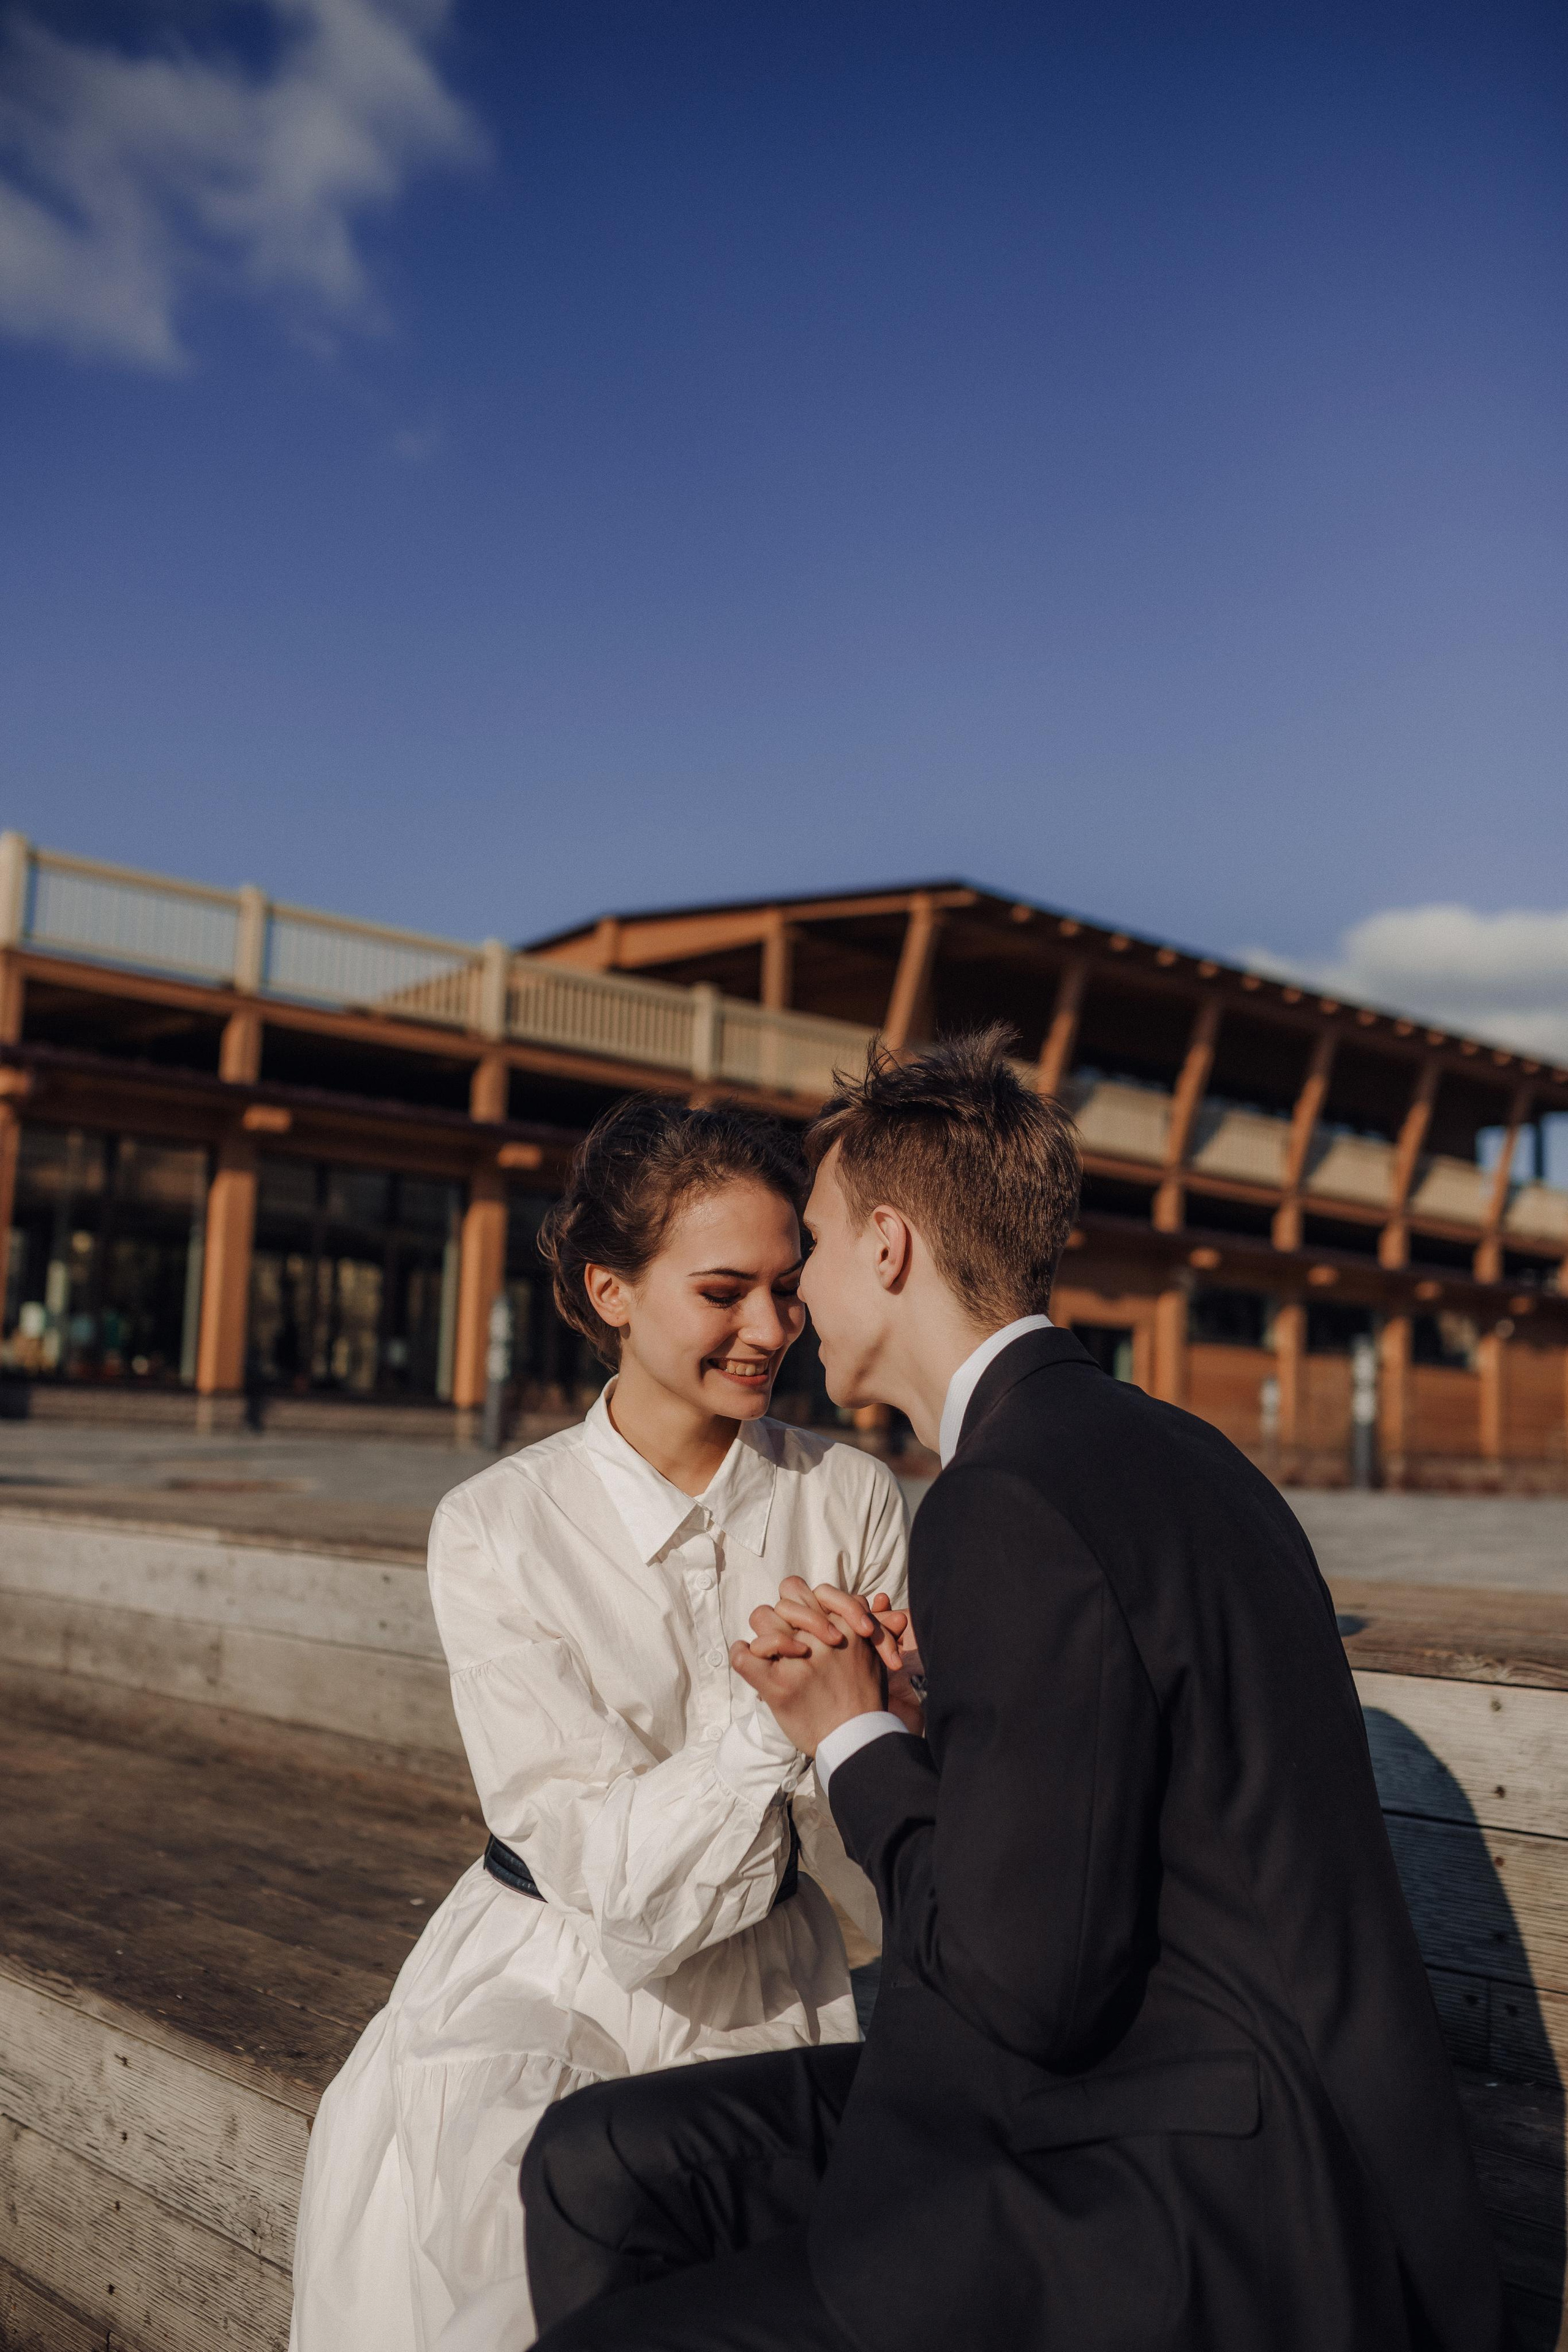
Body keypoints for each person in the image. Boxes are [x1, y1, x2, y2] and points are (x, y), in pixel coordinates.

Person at [521, 1029, 1506, 2352]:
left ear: (887, 1248)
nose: (797, 1300)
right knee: (595, 2162)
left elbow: (1023, 1987)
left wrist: (851, 1733)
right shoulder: (1166, 1448)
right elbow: (1078, 1827)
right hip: (1172, 2101)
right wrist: (931, 1722)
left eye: (812, 1249)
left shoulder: (1004, 1500)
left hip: (1180, 2194)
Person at [288, 1098, 908, 2352]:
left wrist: (895, 1714)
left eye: (786, 1288)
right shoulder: (493, 1526)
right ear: (608, 1290)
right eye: (724, 1292)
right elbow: (610, 1882)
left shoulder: (849, 1493)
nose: (771, 1329)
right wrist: (775, 1719)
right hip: (542, 1975)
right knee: (502, 2255)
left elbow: (875, 1795)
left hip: (777, 1976)